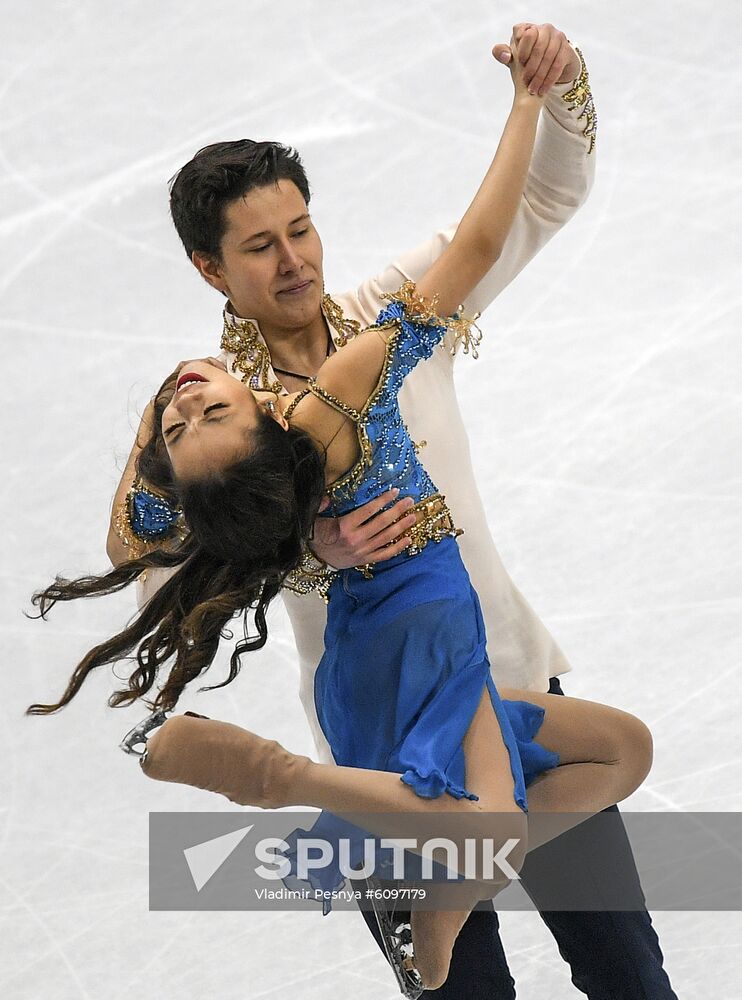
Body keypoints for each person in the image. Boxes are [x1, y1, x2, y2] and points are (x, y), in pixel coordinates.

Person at [27, 30, 655, 994]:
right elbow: (138, 548)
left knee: (632, 980)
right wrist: (297, 542)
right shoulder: (218, 423)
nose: (294, 262)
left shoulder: (383, 318)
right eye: (259, 246)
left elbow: (534, 203)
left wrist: (554, 87)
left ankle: (469, 833)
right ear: (210, 267)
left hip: (509, 678)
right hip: (382, 736)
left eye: (301, 230)